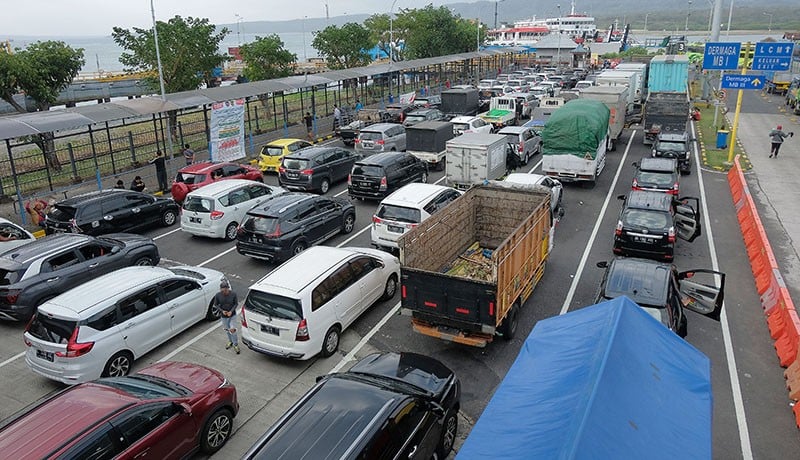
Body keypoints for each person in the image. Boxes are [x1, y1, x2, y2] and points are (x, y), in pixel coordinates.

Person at [214, 281, 240, 354]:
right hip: (224, 316)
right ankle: (230, 341)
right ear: (221, 289)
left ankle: (235, 344)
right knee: (227, 329)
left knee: (232, 330)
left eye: (226, 289)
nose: (225, 291)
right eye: (223, 290)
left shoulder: (233, 294)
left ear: (228, 288)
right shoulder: (218, 295)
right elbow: (216, 304)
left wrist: (231, 311)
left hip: (232, 315)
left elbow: (236, 304)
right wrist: (222, 311)